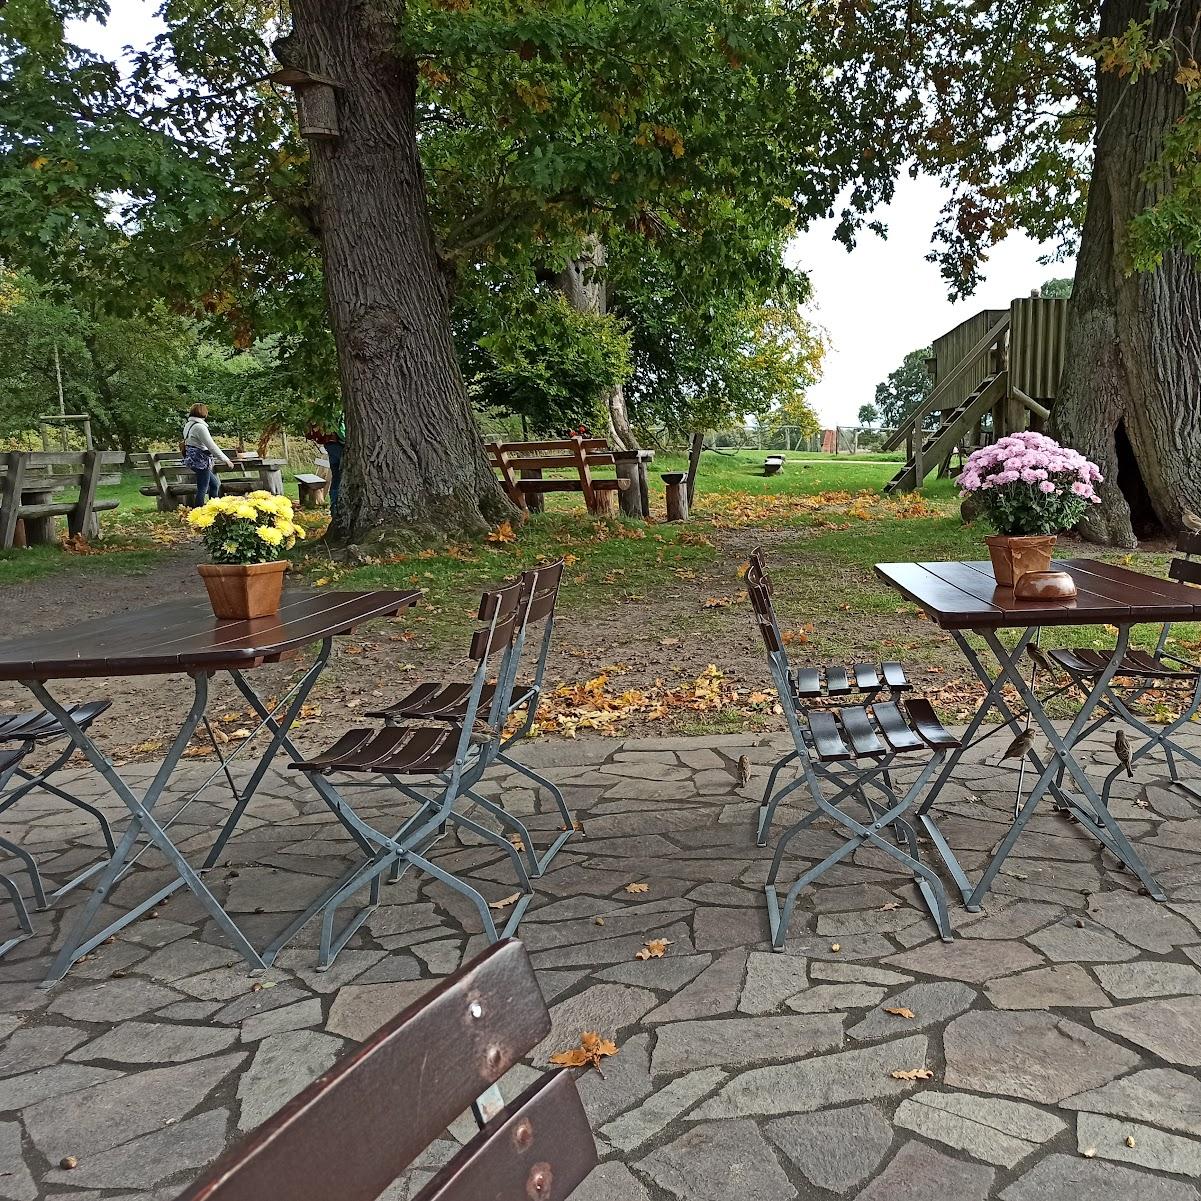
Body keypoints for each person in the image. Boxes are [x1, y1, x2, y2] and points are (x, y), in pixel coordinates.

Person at [181, 404, 233, 507]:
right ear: (204, 413)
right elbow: (211, 446)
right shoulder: (200, 427)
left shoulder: (189, 425)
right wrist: (226, 460)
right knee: (203, 488)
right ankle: (199, 512)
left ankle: (214, 508)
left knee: (214, 485)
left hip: (192, 458)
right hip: (201, 460)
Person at [308, 413, 345, 508]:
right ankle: (336, 504)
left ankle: (334, 505)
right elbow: (342, 432)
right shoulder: (337, 411)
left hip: (329, 444)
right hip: (337, 444)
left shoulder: (322, 412)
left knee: (336, 476)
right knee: (340, 475)